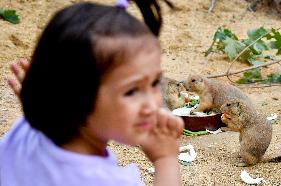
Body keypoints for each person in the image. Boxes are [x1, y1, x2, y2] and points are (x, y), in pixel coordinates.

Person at [0, 1, 184, 186]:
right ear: (74, 99)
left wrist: (42, 95)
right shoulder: (108, 181)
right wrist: (165, 160)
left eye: (154, 83)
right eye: (131, 91)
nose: (152, 105)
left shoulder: (24, 134)